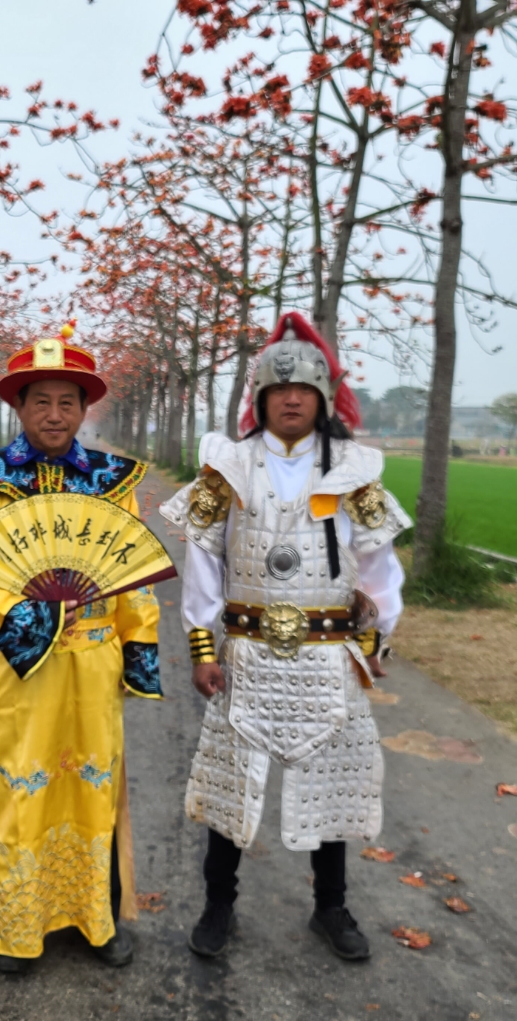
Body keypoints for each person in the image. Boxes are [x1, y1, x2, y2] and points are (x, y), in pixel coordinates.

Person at [159, 312, 410, 962]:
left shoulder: (356, 470)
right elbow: (203, 562)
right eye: (278, 389)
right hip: (245, 654)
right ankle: (218, 905)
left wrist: (379, 638)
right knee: (228, 789)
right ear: (260, 398)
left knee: (331, 786)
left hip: (328, 656)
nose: (291, 398)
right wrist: (200, 647)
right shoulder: (226, 466)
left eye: (303, 389)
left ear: (322, 397)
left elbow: (381, 566)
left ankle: (331, 907)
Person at [0, 328, 161, 974]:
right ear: (18, 407)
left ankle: (95, 921)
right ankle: (16, 931)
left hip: (93, 662)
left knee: (92, 788)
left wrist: (137, 650)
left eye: (66, 402)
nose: (53, 414)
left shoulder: (110, 480)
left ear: (83, 409)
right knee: (19, 790)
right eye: (39, 401)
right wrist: (35, 626)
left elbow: (132, 570)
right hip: (20, 671)